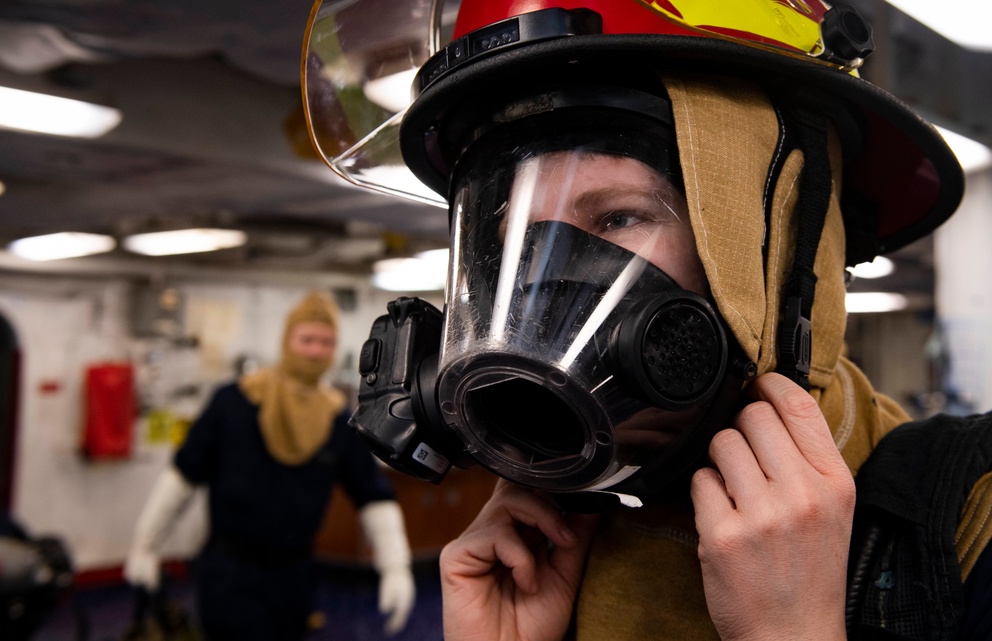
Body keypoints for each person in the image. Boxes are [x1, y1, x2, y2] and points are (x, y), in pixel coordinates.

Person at [300, 1, 992, 639]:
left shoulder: (968, 519)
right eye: (514, 235)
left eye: (617, 217)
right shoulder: (540, 554)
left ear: (777, 240)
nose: (545, 281)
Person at [123, 291, 416, 640]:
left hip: (293, 576)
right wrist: (146, 544)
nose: (316, 351)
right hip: (229, 573)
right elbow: (183, 476)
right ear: (287, 341)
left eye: (326, 342)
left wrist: (396, 566)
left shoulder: (337, 419)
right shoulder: (234, 401)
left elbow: (373, 496)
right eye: (307, 339)